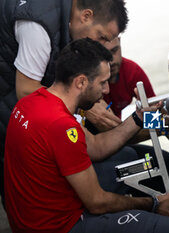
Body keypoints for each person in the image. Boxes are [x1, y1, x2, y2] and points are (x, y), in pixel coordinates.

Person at [4, 38, 169, 233]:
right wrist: (154, 203)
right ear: (81, 82)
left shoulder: (31, 102)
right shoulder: (61, 126)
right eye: (102, 83)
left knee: (148, 162)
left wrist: (138, 118)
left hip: (32, 217)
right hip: (61, 226)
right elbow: (97, 202)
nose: (106, 90)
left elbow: (95, 147)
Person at [0, 0, 128, 206]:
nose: (100, 46)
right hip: (12, 111)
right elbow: (25, 89)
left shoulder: (65, 18)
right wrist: (83, 109)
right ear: (86, 16)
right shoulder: (38, 25)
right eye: (101, 37)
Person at [83, 37, 169, 196]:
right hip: (92, 154)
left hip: (119, 144)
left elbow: (157, 117)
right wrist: (161, 125)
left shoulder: (132, 72)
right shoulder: (86, 85)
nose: (111, 61)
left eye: (114, 51)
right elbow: (115, 132)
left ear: (120, 43)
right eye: (103, 55)